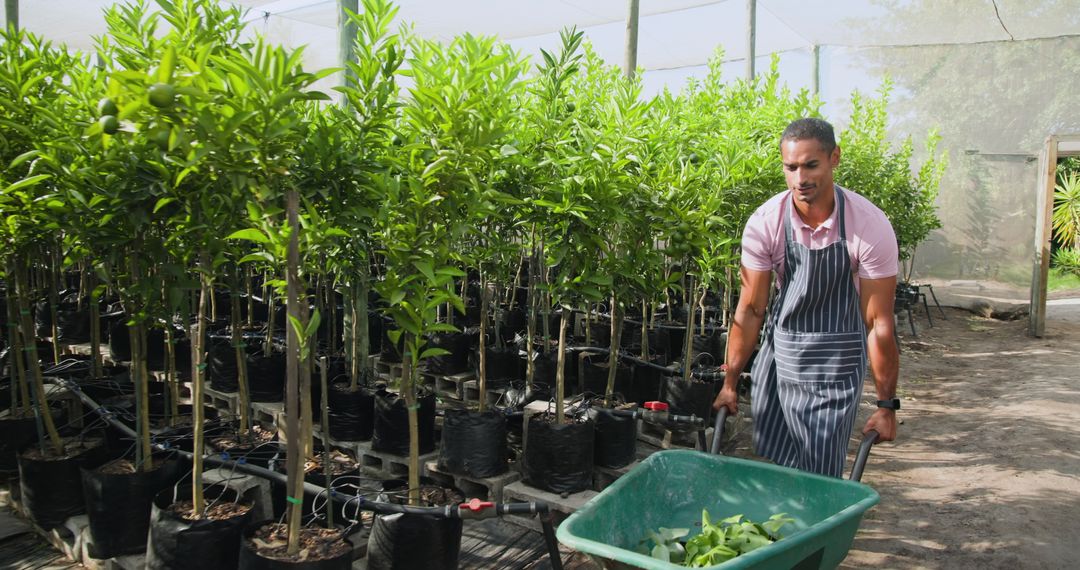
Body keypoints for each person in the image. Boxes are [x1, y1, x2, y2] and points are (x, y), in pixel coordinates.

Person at [713, 117, 900, 478]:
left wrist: (886, 405)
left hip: (835, 363)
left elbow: (878, 323)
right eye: (791, 167)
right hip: (781, 356)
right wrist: (730, 383)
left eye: (811, 165)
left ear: (835, 159)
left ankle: (817, 531)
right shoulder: (766, 222)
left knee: (819, 471)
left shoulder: (869, 225)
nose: (801, 179)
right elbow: (751, 309)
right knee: (775, 466)